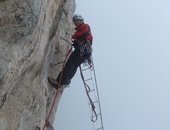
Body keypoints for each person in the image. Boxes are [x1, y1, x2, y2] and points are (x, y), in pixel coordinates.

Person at [48, 14, 93, 89]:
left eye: (76, 21)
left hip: (82, 50)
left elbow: (84, 32)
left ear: (80, 20)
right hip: (85, 52)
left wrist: (74, 36)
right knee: (74, 66)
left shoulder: (85, 26)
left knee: (70, 64)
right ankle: (65, 81)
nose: (75, 23)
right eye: (74, 21)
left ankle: (59, 82)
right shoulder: (81, 29)